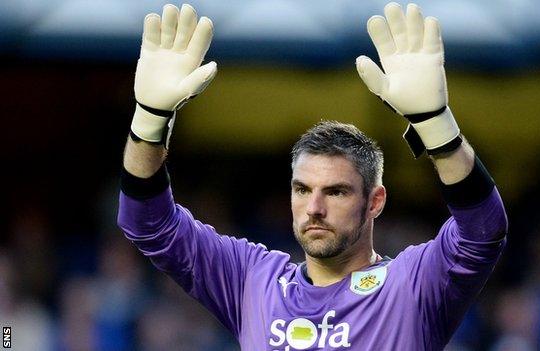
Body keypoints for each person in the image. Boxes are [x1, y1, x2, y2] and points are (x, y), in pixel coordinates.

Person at [117, 2, 508, 350]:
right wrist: (149, 120)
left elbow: (481, 231)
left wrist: (436, 125)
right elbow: (147, 223)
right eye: (303, 189)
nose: (314, 208)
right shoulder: (253, 280)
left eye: (336, 192)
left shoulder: (412, 286)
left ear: (375, 201)